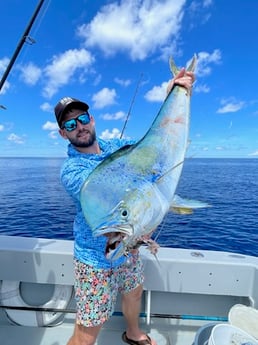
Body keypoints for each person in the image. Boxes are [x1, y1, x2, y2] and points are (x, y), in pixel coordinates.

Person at [54, 68, 194, 345]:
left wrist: (173, 94)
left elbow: (157, 140)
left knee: (133, 291)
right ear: (63, 133)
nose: (79, 126)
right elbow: (107, 192)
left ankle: (133, 332)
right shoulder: (71, 170)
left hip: (128, 243)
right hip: (97, 257)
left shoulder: (118, 146)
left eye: (82, 119)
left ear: (91, 119)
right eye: (70, 125)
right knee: (88, 328)